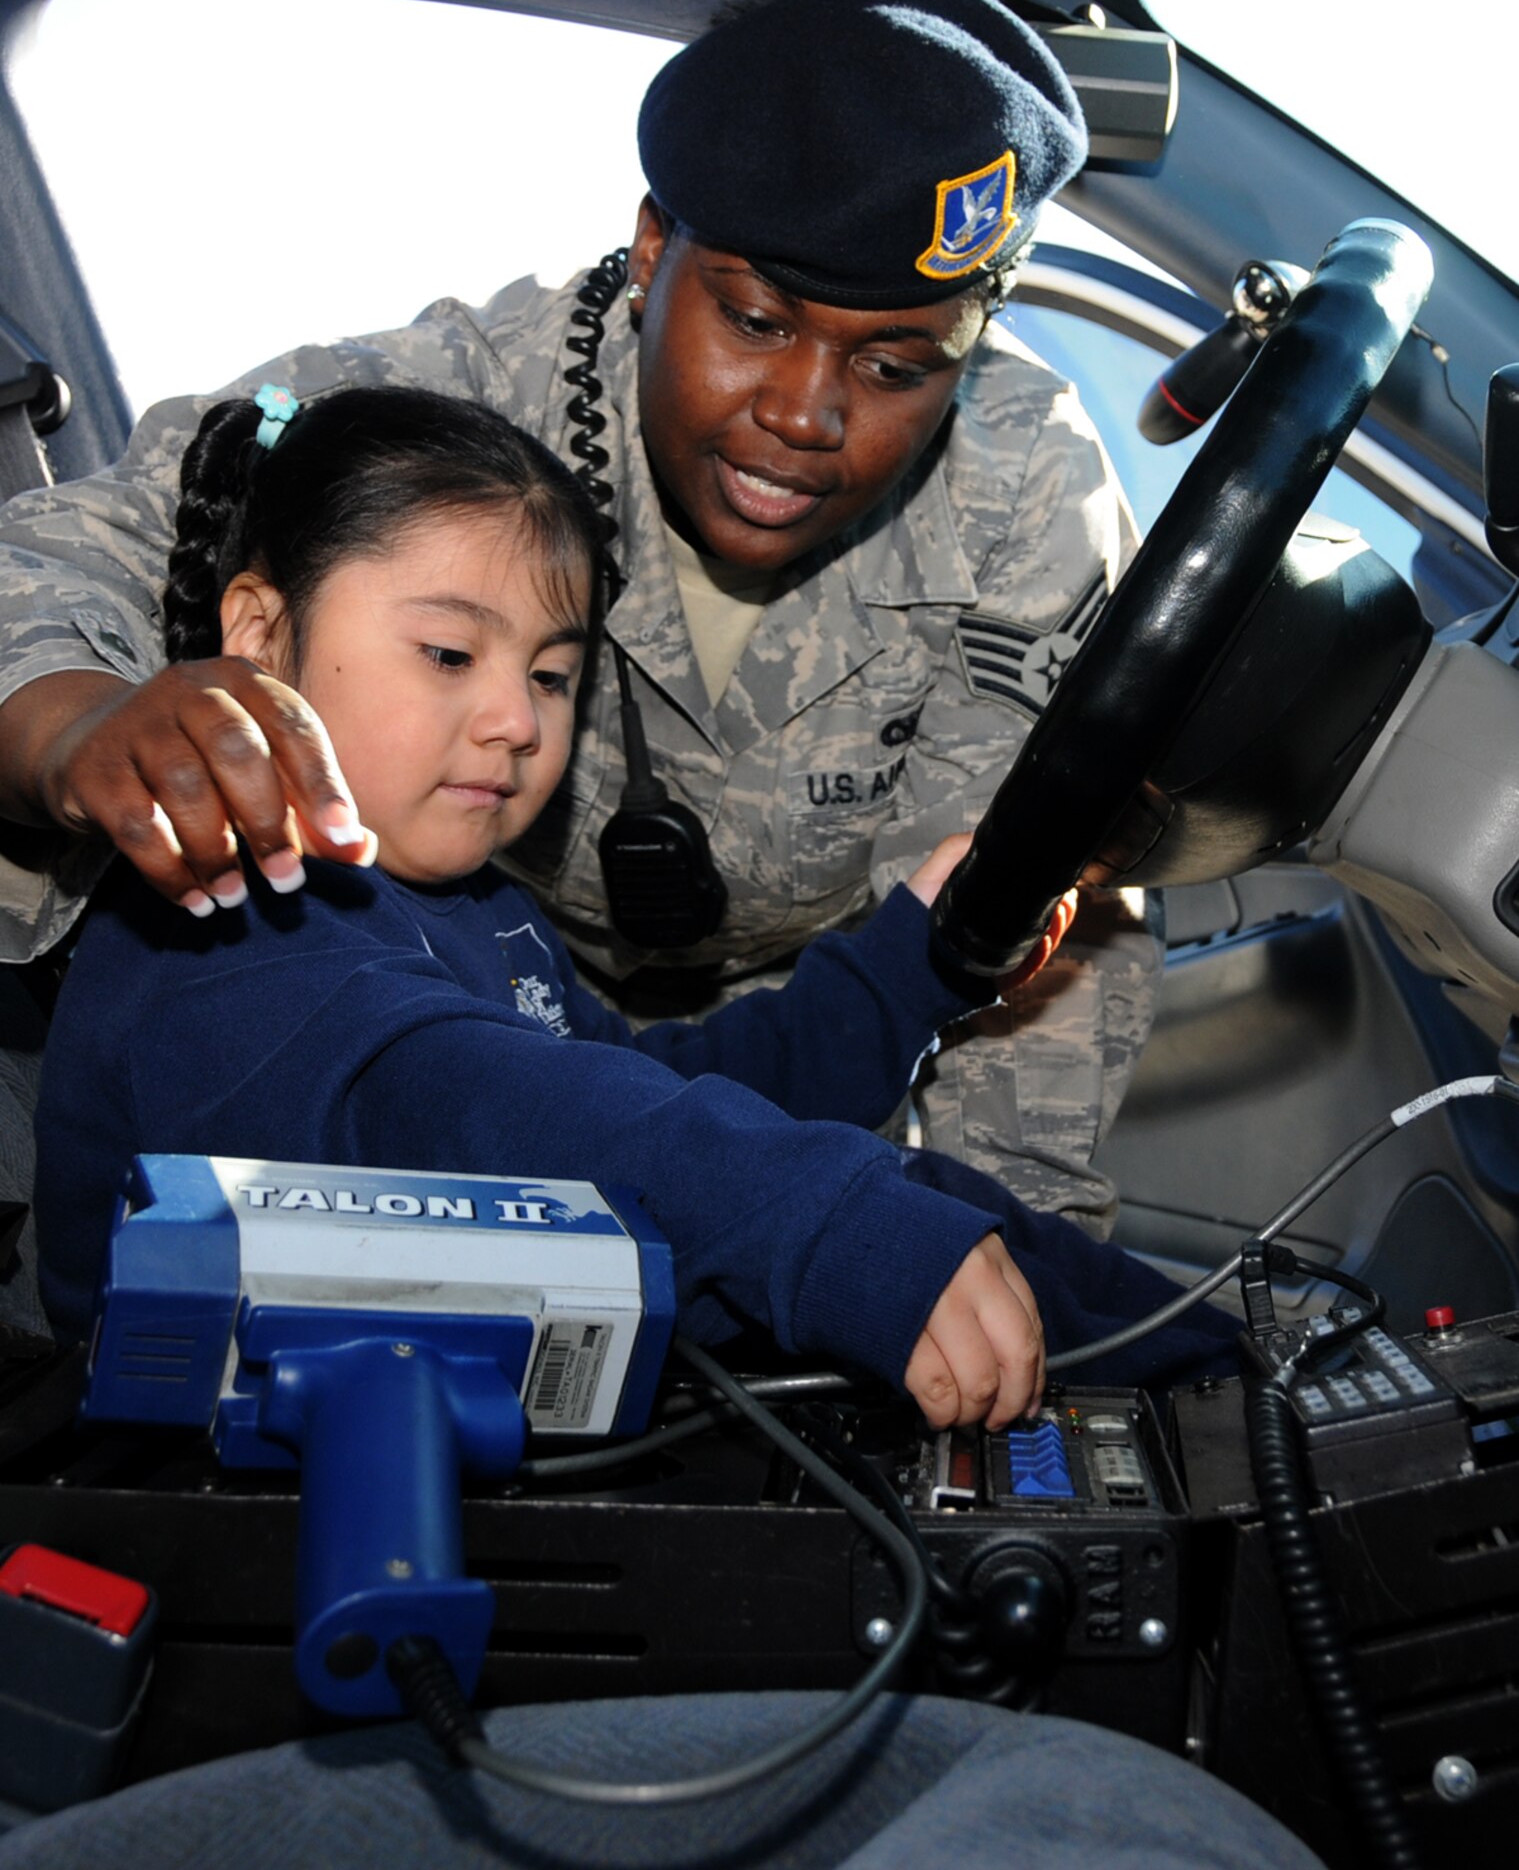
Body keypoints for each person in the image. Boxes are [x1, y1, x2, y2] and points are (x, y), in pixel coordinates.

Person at [0, 0, 1156, 1231]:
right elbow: (67, 549)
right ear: (655, 248)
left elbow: (1013, 905)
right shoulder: (457, 404)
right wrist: (71, 725)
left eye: (895, 364)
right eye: (755, 320)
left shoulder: (1025, 487)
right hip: (442, 1033)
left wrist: (1008, 1273)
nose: (805, 413)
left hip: (786, 1066)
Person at [32, 382, 1238, 1407]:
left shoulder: (471, 913)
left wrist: (905, 968)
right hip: (235, 1503)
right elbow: (472, 1100)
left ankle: (1253, 1382)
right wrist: (819, 1219)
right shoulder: (231, 913)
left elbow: (657, 1092)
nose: (515, 722)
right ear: (257, 630)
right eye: (449, 654)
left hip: (449, 1399)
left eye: (552, 676)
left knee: (927, 1194)